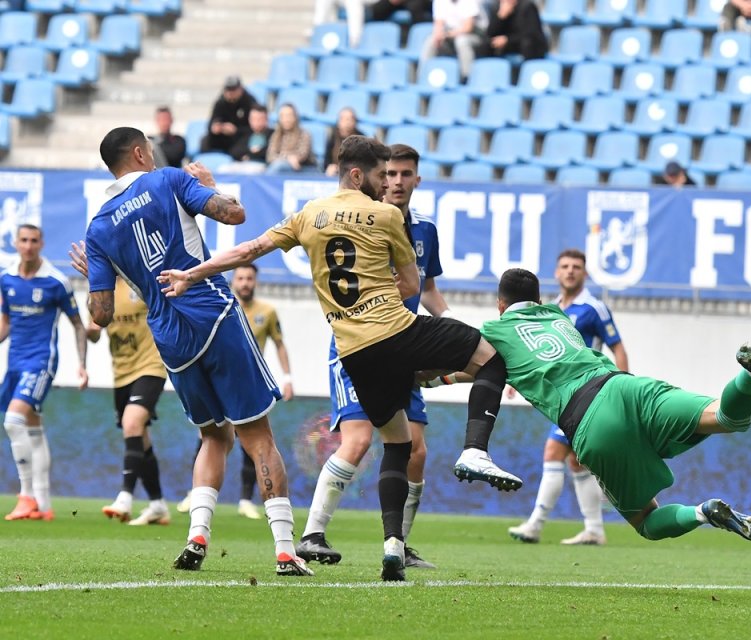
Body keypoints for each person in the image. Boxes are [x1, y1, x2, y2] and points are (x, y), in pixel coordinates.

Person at [157, 135, 520, 582]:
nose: (386, 182)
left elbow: (247, 250)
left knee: (399, 443)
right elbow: (410, 287)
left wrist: (192, 274)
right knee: (493, 358)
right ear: (356, 174)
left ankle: (392, 548)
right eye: (381, 174)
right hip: (396, 330)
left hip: (353, 353)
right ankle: (475, 450)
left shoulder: (309, 215)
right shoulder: (387, 215)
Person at [423, 268, 751, 546]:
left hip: (590, 418)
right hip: (626, 386)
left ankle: (703, 512)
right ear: (539, 300)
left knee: (646, 520)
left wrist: (431, 379)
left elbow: (477, 367)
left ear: (499, 304)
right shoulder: (559, 316)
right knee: (726, 417)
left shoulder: (496, 331)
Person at [76, 127, 313, 576]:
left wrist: (96, 276)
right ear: (142, 153)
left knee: (212, 436)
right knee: (256, 433)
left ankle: (197, 537)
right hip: (213, 315)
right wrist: (207, 185)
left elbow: (102, 314)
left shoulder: (99, 228)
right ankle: (285, 550)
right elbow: (235, 215)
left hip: (171, 340)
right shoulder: (168, 179)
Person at [297, 143, 451, 570]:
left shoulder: (426, 231)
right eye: (391, 174)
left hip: (407, 345)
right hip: (359, 347)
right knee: (360, 440)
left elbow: (429, 291)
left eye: (406, 174)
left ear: (417, 179)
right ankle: (312, 532)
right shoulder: (365, 221)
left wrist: (452, 331)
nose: (396, 182)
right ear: (378, 177)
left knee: (415, 449)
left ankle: (399, 543)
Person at [507, 249, 627, 546]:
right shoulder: (551, 309)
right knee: (577, 462)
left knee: (553, 452)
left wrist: (621, 389)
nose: (570, 271)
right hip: (563, 397)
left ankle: (535, 524)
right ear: (556, 273)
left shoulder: (594, 308)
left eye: (576, 267)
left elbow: (618, 348)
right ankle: (595, 529)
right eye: (565, 266)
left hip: (589, 391)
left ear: (585, 273)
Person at [2, 224, 88, 521]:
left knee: (13, 421)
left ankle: (26, 496)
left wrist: (82, 364)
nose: (28, 246)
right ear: (15, 243)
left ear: (41, 243)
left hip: (41, 362)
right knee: (33, 430)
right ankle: (44, 504)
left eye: (33, 241)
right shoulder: (6, 278)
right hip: (15, 363)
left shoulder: (56, 281)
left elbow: (78, 325)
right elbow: (5, 322)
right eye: (23, 240)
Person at [94, 277, 171, 526]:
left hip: (150, 366)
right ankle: (158, 504)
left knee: (131, 423)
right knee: (140, 435)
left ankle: (125, 497)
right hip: (121, 373)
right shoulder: (100, 287)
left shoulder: (141, 280)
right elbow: (94, 332)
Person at [233, 263, 294, 518]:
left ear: (255, 281)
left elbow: (280, 344)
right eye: (241, 278)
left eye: (249, 278)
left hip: (252, 383)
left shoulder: (267, 312)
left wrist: (288, 378)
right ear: (233, 281)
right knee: (209, 437)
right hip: (223, 381)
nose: (245, 282)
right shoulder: (223, 308)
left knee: (253, 440)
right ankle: (197, 493)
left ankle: (246, 499)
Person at [420, 0, 488, 79]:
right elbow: (438, 24)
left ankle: (466, 77)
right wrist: (438, 36)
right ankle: (423, 75)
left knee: (462, 41)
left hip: (475, 35)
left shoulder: (469, 1)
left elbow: (468, 28)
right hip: (450, 35)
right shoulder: (439, 1)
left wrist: (447, 34)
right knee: (431, 40)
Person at [200, 76, 258, 154]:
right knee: (205, 142)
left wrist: (236, 130)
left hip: (242, 136)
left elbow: (255, 128)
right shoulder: (220, 102)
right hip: (224, 136)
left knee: (238, 150)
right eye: (228, 90)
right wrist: (215, 128)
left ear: (240, 89)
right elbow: (211, 123)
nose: (230, 93)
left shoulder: (250, 102)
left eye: (233, 90)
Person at [266, 103, 316, 174]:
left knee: (278, 166)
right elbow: (270, 156)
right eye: (282, 116)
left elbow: (302, 155)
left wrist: (285, 158)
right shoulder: (275, 135)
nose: (286, 119)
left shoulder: (304, 134)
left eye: (289, 116)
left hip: (303, 168)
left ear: (295, 117)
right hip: (282, 166)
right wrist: (287, 158)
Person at [227, 105, 273, 169]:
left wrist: (249, 156)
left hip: (261, 165)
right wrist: (251, 151)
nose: (256, 122)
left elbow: (269, 152)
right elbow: (234, 151)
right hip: (242, 164)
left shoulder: (272, 134)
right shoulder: (246, 133)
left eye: (259, 119)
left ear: (266, 119)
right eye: (253, 119)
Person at [324, 108, 364, 177]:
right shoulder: (333, 137)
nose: (347, 123)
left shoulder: (362, 138)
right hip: (336, 174)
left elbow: (365, 163)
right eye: (344, 119)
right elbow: (327, 161)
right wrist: (330, 167)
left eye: (350, 119)